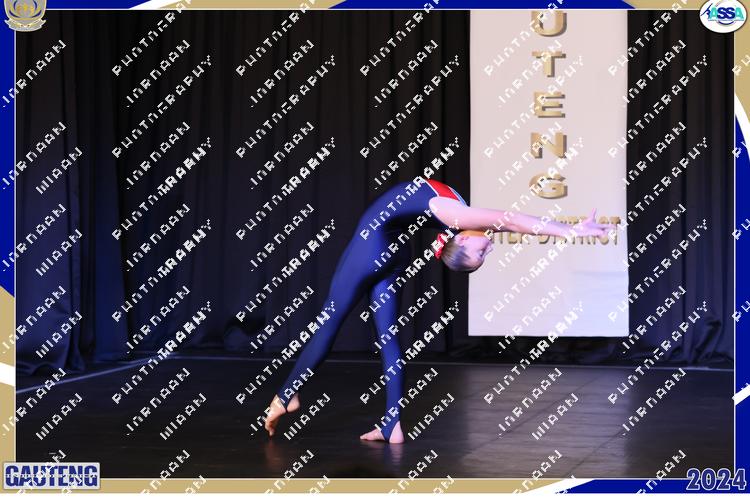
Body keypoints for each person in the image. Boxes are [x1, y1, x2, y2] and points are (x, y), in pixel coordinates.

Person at [263, 177, 616, 443]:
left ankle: (292, 396)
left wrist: (569, 232)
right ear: (460, 238)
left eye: (481, 254)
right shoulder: (457, 216)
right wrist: (569, 231)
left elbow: (511, 222)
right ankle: (388, 424)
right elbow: (511, 221)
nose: (489, 249)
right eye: (483, 254)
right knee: (385, 339)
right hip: (392, 252)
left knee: (334, 323)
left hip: (372, 247)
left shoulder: (457, 217)